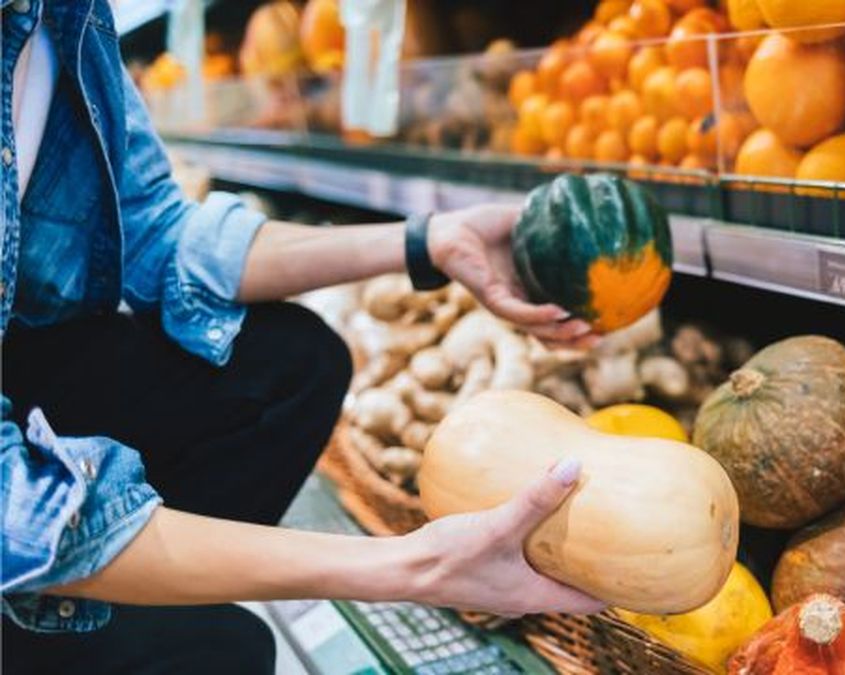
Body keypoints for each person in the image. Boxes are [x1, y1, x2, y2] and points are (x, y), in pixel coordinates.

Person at [0, 1, 602, 672]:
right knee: (225, 653)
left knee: (293, 366)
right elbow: (11, 509)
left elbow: (162, 233)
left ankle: (105, 616)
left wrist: (427, 241)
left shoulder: (68, 18)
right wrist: (414, 564)